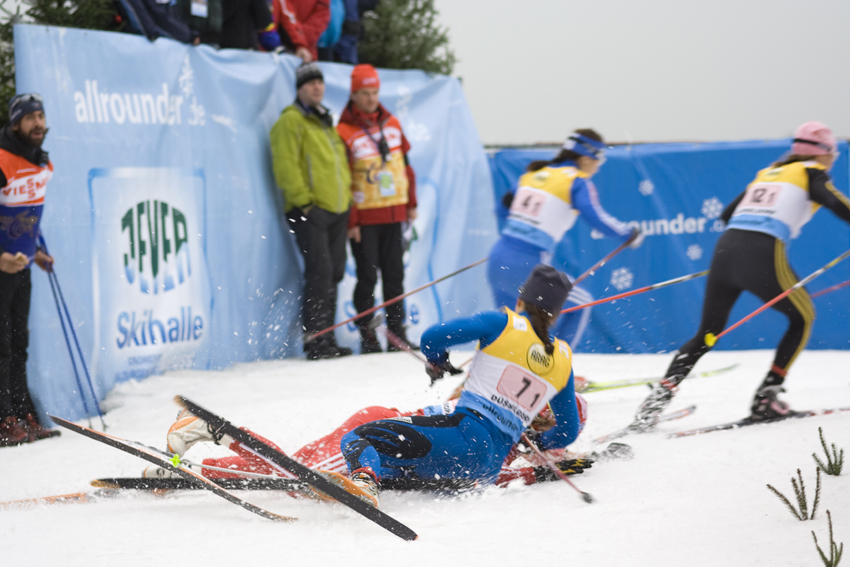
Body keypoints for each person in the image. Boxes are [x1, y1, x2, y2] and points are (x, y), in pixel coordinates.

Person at [632, 121, 850, 431]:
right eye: (834, 154)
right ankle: (766, 399)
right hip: (760, 252)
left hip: (726, 251)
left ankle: (653, 406)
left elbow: (726, 215)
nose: (832, 160)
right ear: (825, 152)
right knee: (803, 317)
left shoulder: (768, 173)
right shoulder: (811, 171)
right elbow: (834, 202)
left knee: (707, 334)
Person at [337, 265, 583, 505]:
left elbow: (432, 337)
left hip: (464, 436)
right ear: (557, 313)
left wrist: (438, 360)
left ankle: (364, 482)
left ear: (521, 299)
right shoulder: (563, 357)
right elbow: (568, 431)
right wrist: (539, 443)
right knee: (399, 465)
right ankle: (375, 479)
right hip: (489, 467)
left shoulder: (503, 323)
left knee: (358, 437)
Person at [488, 129, 641, 348]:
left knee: (508, 327)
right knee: (581, 304)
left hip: (498, 256)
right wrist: (629, 233)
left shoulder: (534, 174)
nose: (599, 166)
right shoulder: (577, 181)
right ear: (587, 158)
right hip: (529, 262)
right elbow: (596, 217)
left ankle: (491, 372)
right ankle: (555, 370)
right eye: (600, 159)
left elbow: (503, 210)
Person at [270, 63, 353, 360]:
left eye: (320, 82)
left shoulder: (324, 120)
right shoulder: (291, 121)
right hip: (309, 210)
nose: (317, 87)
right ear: (299, 88)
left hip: (336, 209)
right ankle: (315, 340)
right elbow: (285, 165)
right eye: (310, 83)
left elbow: (338, 164)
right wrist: (305, 203)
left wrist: (346, 203)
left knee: (334, 273)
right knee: (320, 273)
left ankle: (327, 336)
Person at [336, 64, 417, 353]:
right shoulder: (343, 130)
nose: (371, 99)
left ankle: (397, 334)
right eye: (365, 93)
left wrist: (411, 203)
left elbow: (406, 166)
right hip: (365, 219)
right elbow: (343, 179)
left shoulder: (393, 124)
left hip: (395, 213)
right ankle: (368, 337)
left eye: (375, 92)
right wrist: (352, 221)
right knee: (367, 277)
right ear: (354, 94)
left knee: (395, 275)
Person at [0, 94, 60, 446]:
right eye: (29, 118)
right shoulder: (3, 160)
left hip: (21, 266)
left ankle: (23, 415)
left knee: (19, 343)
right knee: (2, 346)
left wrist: (36, 251)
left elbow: (26, 214)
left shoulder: (42, 163)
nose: (38, 123)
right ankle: (3, 419)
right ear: (15, 124)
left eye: (41, 115)